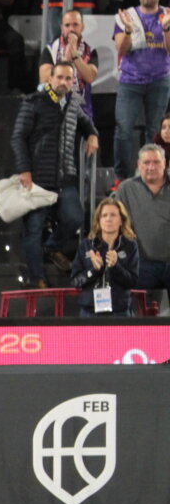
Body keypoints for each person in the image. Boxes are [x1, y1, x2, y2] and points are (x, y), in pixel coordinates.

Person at [11, 62, 98, 288]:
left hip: (65, 177)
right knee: (33, 230)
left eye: (68, 79)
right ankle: (37, 278)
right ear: (50, 79)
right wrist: (25, 170)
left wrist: (92, 135)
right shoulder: (33, 103)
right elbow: (18, 137)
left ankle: (51, 247)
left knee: (75, 218)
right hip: (37, 179)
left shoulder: (72, 104)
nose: (63, 82)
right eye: (59, 77)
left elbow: (86, 123)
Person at [113, 0, 170, 181]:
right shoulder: (126, 16)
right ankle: (121, 179)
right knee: (123, 131)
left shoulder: (168, 15)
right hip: (131, 81)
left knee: (155, 134)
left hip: (159, 80)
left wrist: (167, 28)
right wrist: (128, 30)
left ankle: (153, 176)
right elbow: (122, 48)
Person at [72, 197, 142, 316]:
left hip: (119, 312)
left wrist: (116, 266)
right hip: (90, 312)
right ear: (98, 221)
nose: (108, 219)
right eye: (104, 215)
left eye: (113, 215)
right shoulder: (86, 245)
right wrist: (94, 270)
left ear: (121, 220)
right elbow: (76, 281)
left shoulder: (130, 246)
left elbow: (132, 282)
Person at [115, 145, 170, 294]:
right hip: (141, 263)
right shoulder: (126, 189)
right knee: (124, 298)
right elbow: (116, 224)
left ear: (165, 163)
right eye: (146, 163)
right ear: (139, 165)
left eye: (156, 162)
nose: (151, 167)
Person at [39, 10, 100, 121]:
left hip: (82, 110)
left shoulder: (90, 51)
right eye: (67, 25)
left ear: (82, 27)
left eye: (75, 25)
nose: (71, 29)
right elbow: (44, 79)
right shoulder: (50, 49)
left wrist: (75, 56)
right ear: (62, 27)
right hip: (54, 109)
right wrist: (65, 60)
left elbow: (90, 76)